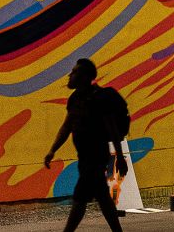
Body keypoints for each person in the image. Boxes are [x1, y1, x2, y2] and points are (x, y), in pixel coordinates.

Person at [44, 59, 128, 232]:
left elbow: (112, 129)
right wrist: (53, 150)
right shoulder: (75, 99)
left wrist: (120, 157)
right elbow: (67, 126)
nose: (70, 75)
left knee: (80, 197)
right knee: (102, 197)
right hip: (84, 158)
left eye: (74, 72)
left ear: (84, 77)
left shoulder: (99, 98)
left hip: (95, 157)